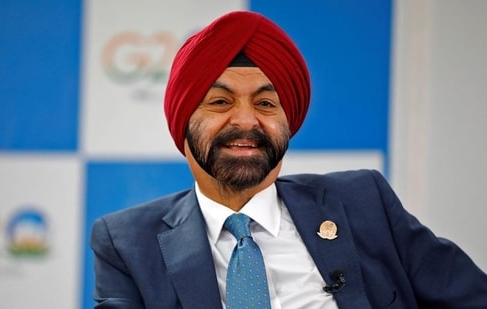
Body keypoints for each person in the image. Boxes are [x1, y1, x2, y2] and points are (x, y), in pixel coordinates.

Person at [90, 11, 487, 309]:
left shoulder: (364, 200)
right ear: (184, 121)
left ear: (288, 120)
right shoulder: (127, 242)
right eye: (220, 102)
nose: (245, 121)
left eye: (265, 103)